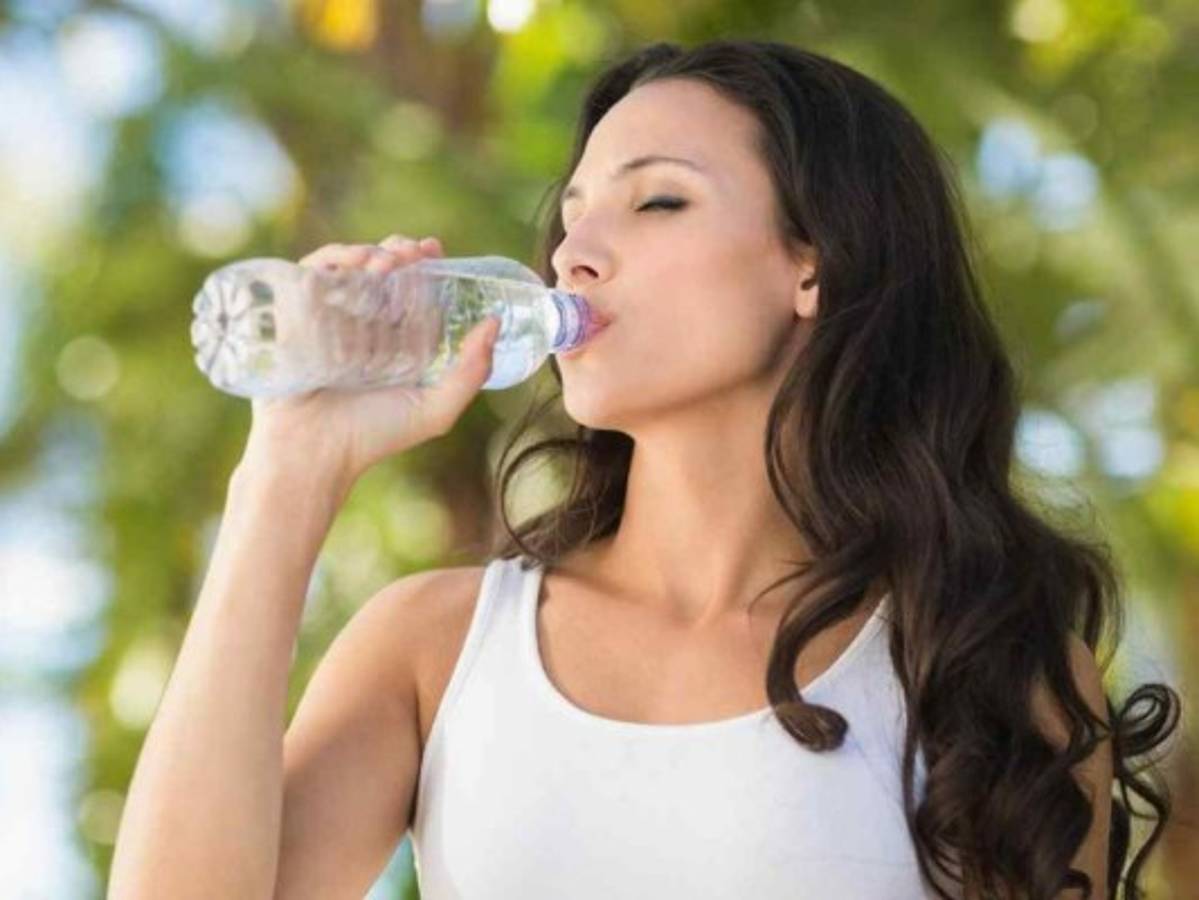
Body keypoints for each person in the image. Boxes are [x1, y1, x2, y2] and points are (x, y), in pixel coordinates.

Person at [109, 39, 1180, 900]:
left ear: (813, 263)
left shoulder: (982, 666)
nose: (570, 253)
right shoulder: (434, 647)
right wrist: (287, 471)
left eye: (656, 201)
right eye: (573, 212)